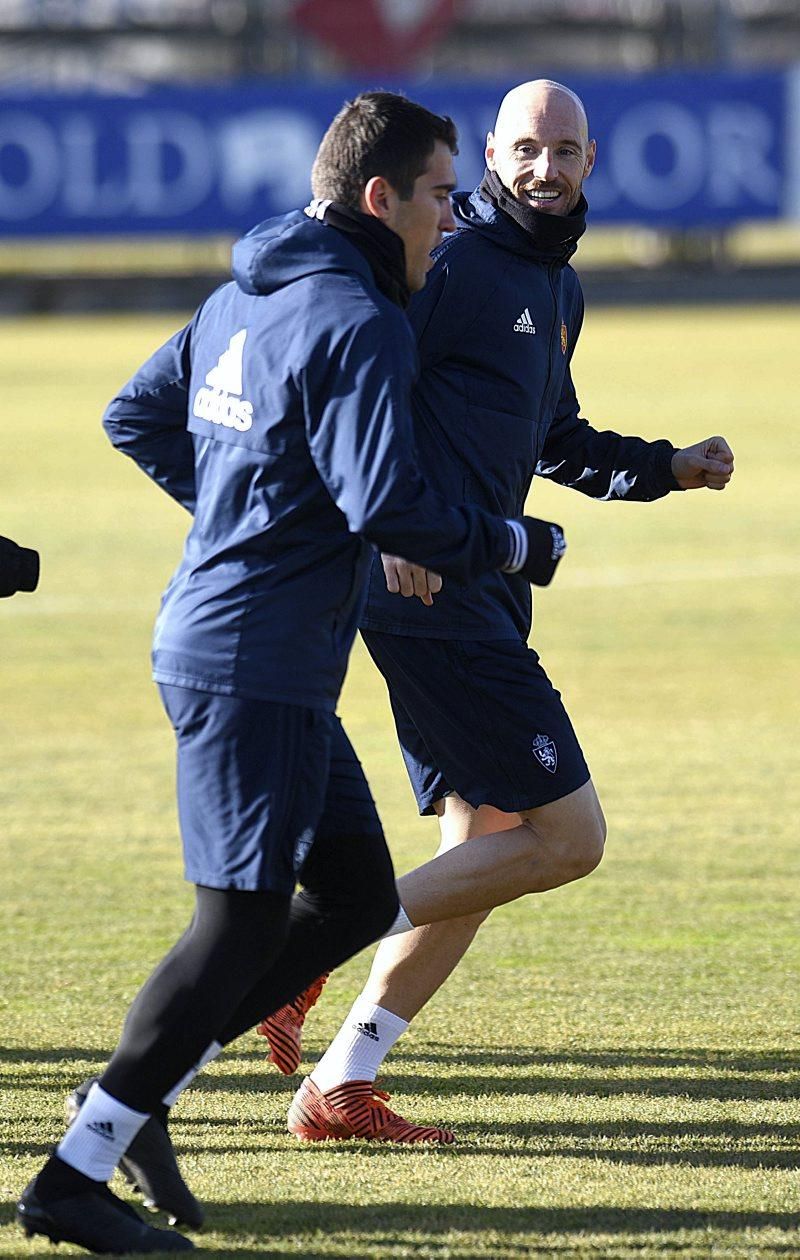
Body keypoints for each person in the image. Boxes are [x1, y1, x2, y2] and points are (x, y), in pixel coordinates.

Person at [17, 91, 569, 1256]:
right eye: (434, 195)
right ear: (380, 198)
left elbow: (140, 416)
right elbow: (392, 508)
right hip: (247, 658)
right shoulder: (357, 322)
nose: (446, 217)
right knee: (237, 927)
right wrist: (519, 542)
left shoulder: (241, 296)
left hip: (261, 652)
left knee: (359, 894)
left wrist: (252, 511)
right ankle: (75, 1172)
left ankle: (133, 1110)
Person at [255, 79, 735, 1144]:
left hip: (483, 589)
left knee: (491, 842)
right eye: (524, 149)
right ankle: (300, 955)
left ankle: (341, 1086)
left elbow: (553, 440)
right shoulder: (454, 261)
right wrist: (389, 531)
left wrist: (666, 467)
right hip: (424, 590)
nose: (542, 169)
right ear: (489, 153)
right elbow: (352, 383)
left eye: (562, 151)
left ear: (589, 161)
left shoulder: (553, 289)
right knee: (568, 840)